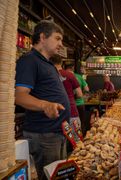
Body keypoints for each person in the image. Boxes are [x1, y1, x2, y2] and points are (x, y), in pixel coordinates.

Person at [15, 20, 70, 180]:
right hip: (44, 134)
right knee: (49, 176)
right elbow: (19, 96)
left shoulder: (48, 64)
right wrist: (45, 105)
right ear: (42, 37)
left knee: (58, 175)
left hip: (57, 132)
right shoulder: (29, 60)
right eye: (57, 38)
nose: (61, 44)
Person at [51, 56, 83, 143]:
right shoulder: (70, 75)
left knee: (59, 143)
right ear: (61, 63)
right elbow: (80, 94)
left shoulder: (49, 75)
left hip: (55, 115)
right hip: (71, 112)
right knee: (77, 141)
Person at [65, 64, 90, 136]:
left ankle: (71, 142)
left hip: (69, 105)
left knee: (68, 125)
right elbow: (87, 89)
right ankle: (82, 139)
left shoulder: (62, 76)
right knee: (81, 123)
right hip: (80, 104)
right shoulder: (79, 77)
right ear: (72, 68)